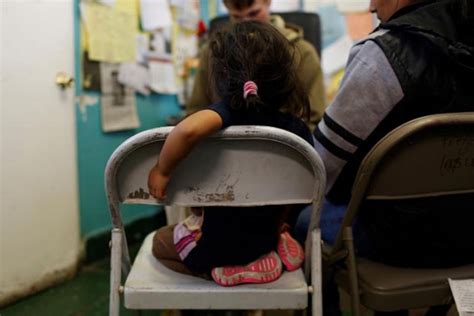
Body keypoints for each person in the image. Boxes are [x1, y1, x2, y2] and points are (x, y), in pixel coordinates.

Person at [294, 0, 474, 314]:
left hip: (398, 241)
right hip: (468, 236)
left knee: (303, 219)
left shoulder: (386, 54)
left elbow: (318, 170)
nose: (370, 6)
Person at [148, 21, 310, 286]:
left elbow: (187, 131)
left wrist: (162, 170)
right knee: (271, 220)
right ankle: (275, 248)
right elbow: (305, 189)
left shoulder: (223, 117)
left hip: (213, 246)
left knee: (160, 243)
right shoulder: (296, 131)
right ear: (285, 78)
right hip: (264, 237)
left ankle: (214, 271)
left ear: (222, 77)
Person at [187, 0, 326, 131]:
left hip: (284, 148)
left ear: (268, 2)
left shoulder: (302, 52)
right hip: (223, 147)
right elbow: (195, 112)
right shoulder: (213, 52)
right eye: (237, 16)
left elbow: (314, 119)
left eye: (253, 13)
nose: (246, 22)